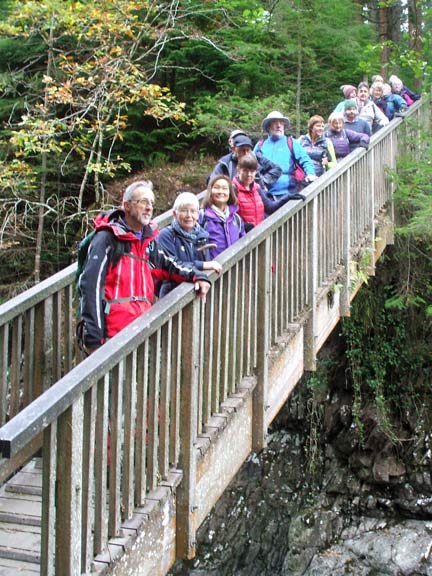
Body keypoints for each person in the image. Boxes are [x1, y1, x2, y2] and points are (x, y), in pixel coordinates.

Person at [77, 180, 211, 353]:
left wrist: (197, 275)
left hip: (142, 331)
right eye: (143, 202)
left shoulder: (148, 242)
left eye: (151, 203)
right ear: (126, 206)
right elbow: (91, 286)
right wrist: (94, 339)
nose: (149, 207)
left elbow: (170, 265)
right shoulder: (107, 239)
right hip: (112, 339)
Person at [156, 192, 222, 297]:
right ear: (174, 214)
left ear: (198, 214)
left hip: (197, 292)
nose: (189, 215)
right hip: (171, 295)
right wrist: (202, 266)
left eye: (193, 211)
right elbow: (172, 266)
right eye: (184, 211)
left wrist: (198, 276)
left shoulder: (202, 235)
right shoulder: (166, 235)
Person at [254, 110, 317, 198]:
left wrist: (310, 173)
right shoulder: (260, 145)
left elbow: (305, 160)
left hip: (288, 194)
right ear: (268, 126)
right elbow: (251, 166)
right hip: (265, 195)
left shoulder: (291, 142)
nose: (279, 125)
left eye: (281, 123)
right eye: (275, 122)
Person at [233, 154, 289, 231]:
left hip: (259, 235)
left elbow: (270, 207)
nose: (249, 174)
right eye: (245, 171)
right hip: (242, 238)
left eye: (252, 171)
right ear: (238, 170)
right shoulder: (233, 189)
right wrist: (243, 226)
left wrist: (287, 198)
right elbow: (229, 217)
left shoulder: (256, 188)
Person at [208, 133, 282, 191]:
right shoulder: (225, 163)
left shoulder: (256, 157)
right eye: (242, 150)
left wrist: (263, 181)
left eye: (248, 150)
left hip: (256, 196)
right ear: (234, 149)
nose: (246, 154)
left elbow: (277, 169)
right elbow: (212, 181)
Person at [199, 175, 245, 259]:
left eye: (224, 188)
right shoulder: (202, 216)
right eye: (216, 187)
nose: (220, 191)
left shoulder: (236, 218)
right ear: (210, 191)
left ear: (230, 192)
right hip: (211, 269)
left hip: (234, 267)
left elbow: (243, 242)